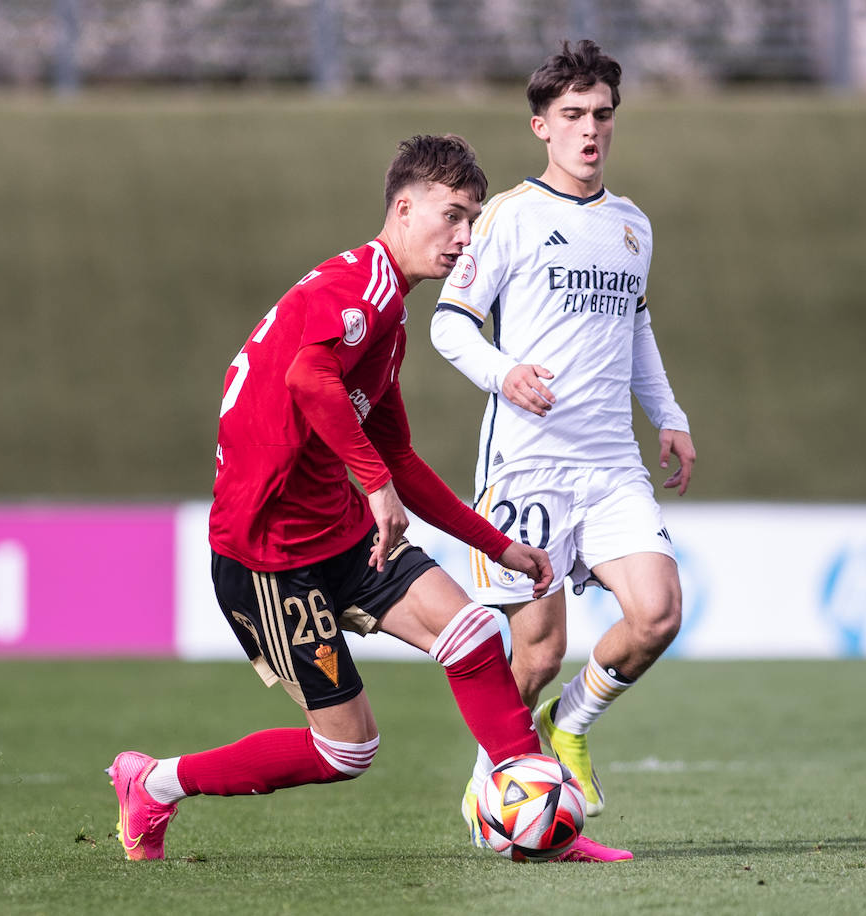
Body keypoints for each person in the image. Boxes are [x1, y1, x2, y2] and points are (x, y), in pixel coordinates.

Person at [107, 134, 620, 864]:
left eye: (473, 220)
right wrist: (374, 486)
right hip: (268, 558)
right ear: (403, 208)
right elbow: (308, 380)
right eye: (452, 216)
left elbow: (401, 459)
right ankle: (155, 784)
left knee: (472, 632)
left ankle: (544, 828)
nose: (464, 238)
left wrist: (497, 545)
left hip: (341, 537)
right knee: (348, 752)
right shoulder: (359, 286)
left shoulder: (387, 321)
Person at [431, 41, 697, 853]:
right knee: (537, 650)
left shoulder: (631, 225)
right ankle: (494, 792)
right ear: (542, 126)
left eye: (603, 116)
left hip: (610, 461)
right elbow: (449, 322)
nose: (590, 131)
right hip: (529, 464)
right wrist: (505, 374)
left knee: (657, 614)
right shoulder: (513, 215)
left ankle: (570, 726)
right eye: (574, 116)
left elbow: (638, 327)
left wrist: (671, 414)